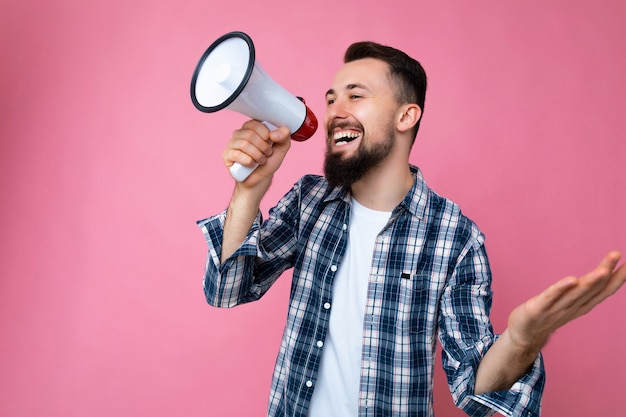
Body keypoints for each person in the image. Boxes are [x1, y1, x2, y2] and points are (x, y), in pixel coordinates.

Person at [197, 41, 626, 417]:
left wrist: (522, 339)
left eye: (355, 95)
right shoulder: (309, 201)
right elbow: (227, 290)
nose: (334, 112)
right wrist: (249, 191)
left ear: (407, 115)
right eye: (330, 100)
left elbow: (474, 388)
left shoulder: (455, 238)